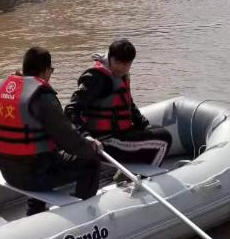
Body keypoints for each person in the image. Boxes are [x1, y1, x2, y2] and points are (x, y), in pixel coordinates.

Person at [0, 46, 103, 215]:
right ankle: (82, 213)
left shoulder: (0, 90)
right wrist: (90, 147)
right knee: (91, 162)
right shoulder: (42, 96)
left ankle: (35, 209)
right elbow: (68, 139)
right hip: (34, 176)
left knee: (42, 153)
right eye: (51, 71)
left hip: (6, 170)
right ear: (45, 71)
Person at [65, 38, 172, 168]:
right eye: (118, 63)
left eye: (126, 64)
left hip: (119, 134)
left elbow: (129, 105)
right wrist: (85, 136)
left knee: (156, 130)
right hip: (104, 140)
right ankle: (148, 176)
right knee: (164, 139)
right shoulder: (96, 78)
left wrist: (145, 126)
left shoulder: (120, 75)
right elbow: (71, 109)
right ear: (109, 57)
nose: (122, 68)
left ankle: (128, 171)